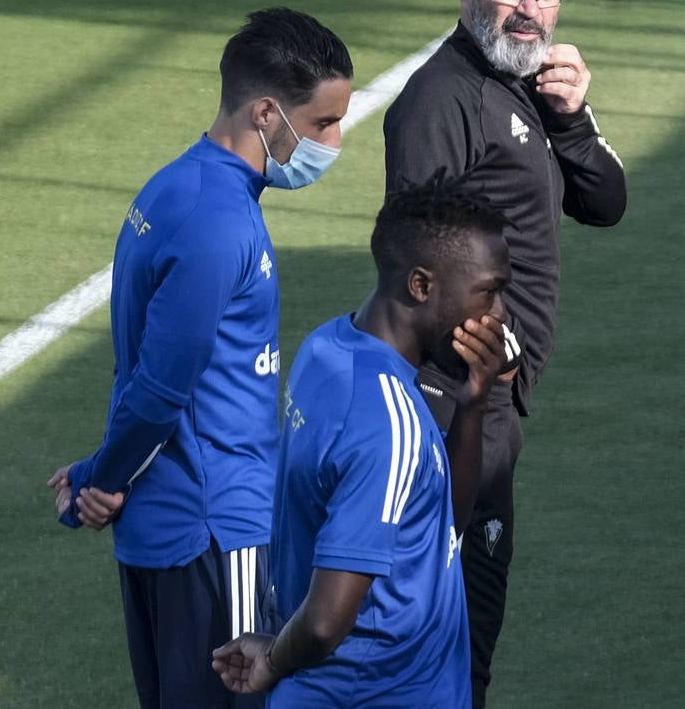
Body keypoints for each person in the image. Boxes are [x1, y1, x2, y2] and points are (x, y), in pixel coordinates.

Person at [47, 7, 354, 709]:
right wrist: (100, 479)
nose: (335, 144)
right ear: (267, 113)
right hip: (217, 531)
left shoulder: (173, 186)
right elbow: (160, 388)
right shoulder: (221, 220)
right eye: (323, 125)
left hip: (166, 528)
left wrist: (105, 474)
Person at [381, 0, 628, 705]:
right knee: (453, 649)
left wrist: (574, 117)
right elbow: (414, 264)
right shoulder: (439, 101)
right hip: (454, 409)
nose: (530, 11)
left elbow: (605, 202)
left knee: (467, 646)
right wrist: (497, 356)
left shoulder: (529, 85)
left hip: (491, 409)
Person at [210, 181, 511, 707]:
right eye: (488, 291)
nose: (500, 313)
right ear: (421, 285)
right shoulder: (385, 419)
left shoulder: (327, 347)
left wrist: (472, 404)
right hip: (375, 693)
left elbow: (440, 529)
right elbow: (327, 622)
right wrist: (274, 660)